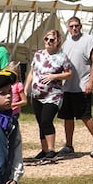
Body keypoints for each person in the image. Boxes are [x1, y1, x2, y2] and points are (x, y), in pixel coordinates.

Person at [59, 16, 93, 158]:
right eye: (71, 26)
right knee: (67, 116)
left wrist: (91, 81)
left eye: (76, 26)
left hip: (82, 84)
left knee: (85, 115)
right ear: (68, 28)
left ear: (80, 26)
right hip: (67, 86)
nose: (74, 28)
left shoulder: (89, 40)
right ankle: (69, 144)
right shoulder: (65, 43)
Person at [24, 28, 72, 161]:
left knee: (46, 120)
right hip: (37, 94)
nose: (49, 42)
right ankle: (44, 149)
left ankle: (51, 149)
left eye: (52, 40)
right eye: (46, 39)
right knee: (40, 122)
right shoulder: (38, 54)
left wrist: (54, 76)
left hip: (53, 95)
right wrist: (26, 89)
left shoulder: (62, 57)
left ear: (57, 42)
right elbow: (32, 72)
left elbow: (69, 74)